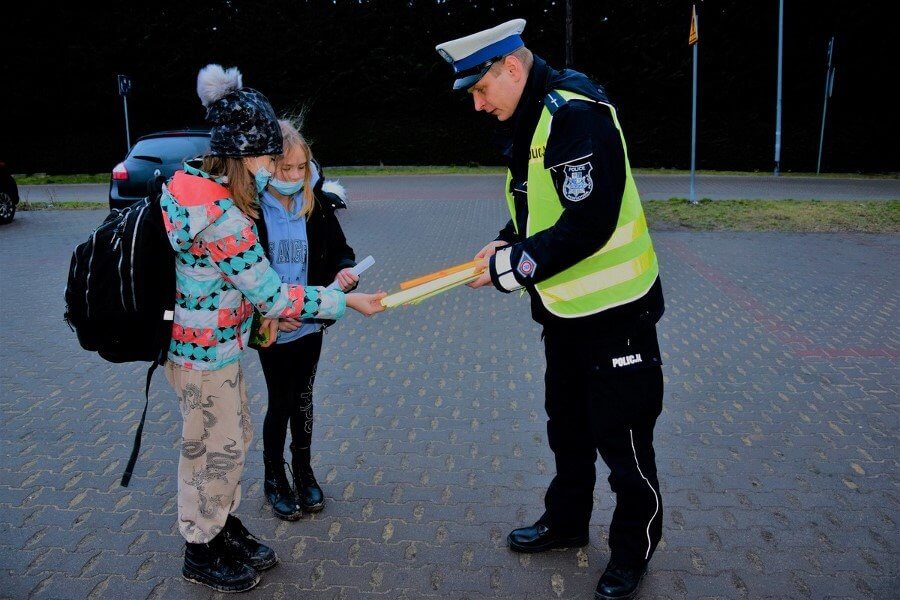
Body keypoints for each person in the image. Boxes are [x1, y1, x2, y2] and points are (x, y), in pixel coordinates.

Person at [436, 20, 666, 600]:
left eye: (481, 90)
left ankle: (631, 553)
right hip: (566, 315)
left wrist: (512, 268)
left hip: (617, 314)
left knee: (625, 444)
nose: (478, 104)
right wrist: (505, 239)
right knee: (568, 429)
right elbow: (541, 206)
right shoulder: (533, 117)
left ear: (511, 68)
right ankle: (566, 524)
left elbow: (589, 220)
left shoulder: (574, 114)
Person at [161, 64, 385, 592]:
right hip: (201, 356)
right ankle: (200, 546)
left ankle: (223, 524)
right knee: (209, 449)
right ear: (241, 157)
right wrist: (344, 302)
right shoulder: (222, 217)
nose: (271, 167)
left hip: (216, 349)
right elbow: (272, 296)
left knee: (231, 439)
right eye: (266, 158)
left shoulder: (192, 187)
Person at [252, 119, 358, 520]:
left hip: (311, 323)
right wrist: (273, 313)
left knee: (304, 398)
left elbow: (340, 251)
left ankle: (304, 471)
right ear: (266, 167)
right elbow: (245, 274)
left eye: (301, 168)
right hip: (272, 327)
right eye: (285, 169)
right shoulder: (250, 210)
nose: (295, 177)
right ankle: (274, 477)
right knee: (279, 401)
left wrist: (346, 272)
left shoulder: (316, 204)